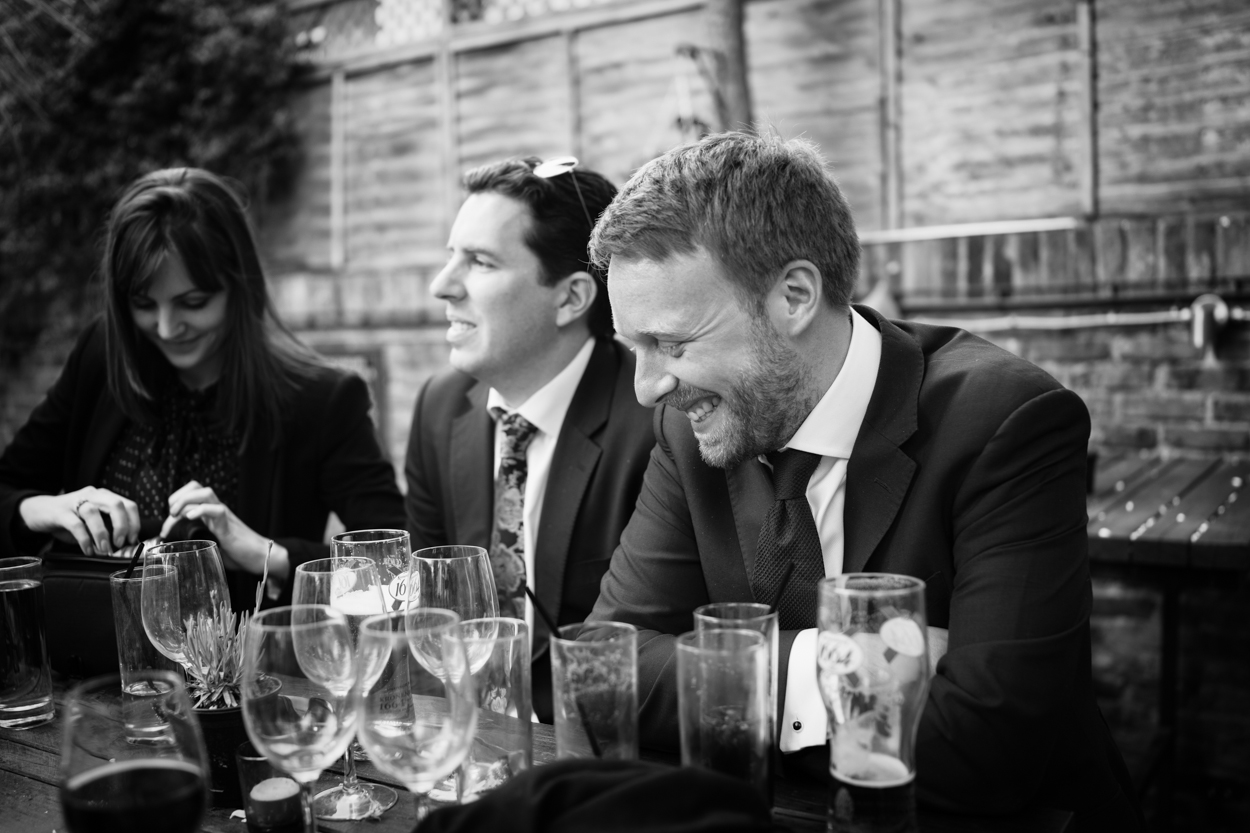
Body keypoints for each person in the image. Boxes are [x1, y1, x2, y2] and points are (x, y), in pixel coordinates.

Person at [585, 132, 1143, 828]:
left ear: (794, 296)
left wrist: (723, 694)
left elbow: (985, 752)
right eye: (633, 348)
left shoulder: (1005, 421)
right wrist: (844, 666)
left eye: (671, 343)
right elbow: (609, 672)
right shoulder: (689, 428)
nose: (647, 387)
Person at [0, 168, 406, 623]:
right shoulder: (102, 355)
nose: (167, 328)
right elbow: (7, 487)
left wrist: (264, 552)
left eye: (192, 303)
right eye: (143, 304)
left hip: (247, 665)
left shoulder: (322, 399)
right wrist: (40, 509)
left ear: (239, 285)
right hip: (87, 657)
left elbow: (396, 568)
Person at [404, 156, 654, 722]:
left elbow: (648, 649)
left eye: (480, 262)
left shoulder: (654, 425)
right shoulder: (440, 409)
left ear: (570, 298)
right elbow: (426, 613)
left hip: (591, 740)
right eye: (451, 256)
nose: (442, 286)